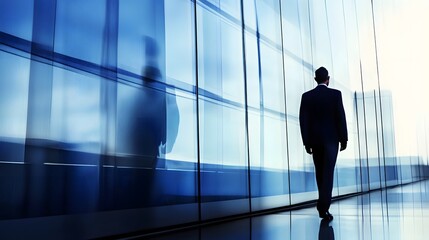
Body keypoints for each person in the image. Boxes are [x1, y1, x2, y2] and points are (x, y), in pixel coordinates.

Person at [299, 66, 348, 221]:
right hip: (331, 141)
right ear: (328, 79)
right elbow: (340, 116)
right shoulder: (335, 95)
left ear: (315, 79)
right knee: (328, 173)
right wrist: (344, 138)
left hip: (315, 142)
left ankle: (322, 204)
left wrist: (306, 142)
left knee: (320, 173)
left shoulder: (307, 96)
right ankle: (323, 207)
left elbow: (303, 121)